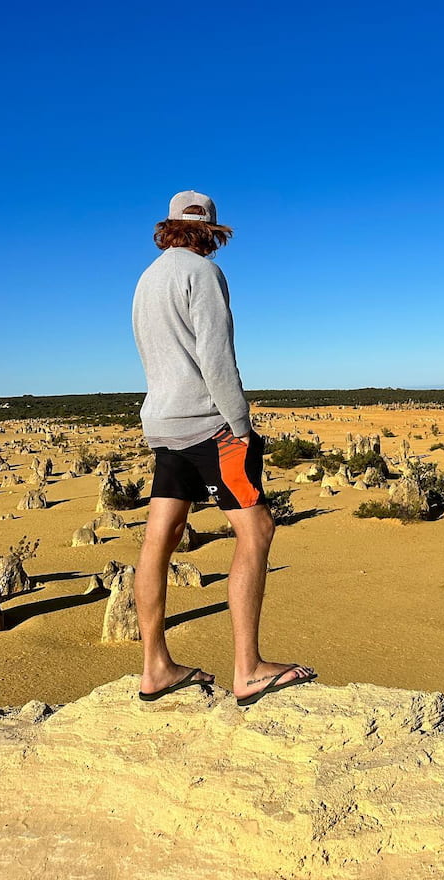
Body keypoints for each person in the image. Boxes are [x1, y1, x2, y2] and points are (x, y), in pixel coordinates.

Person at [131, 189, 316, 705]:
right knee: (257, 529)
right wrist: (239, 423)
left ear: (167, 227)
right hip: (209, 424)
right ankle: (249, 668)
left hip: (163, 423)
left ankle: (155, 668)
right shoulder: (202, 274)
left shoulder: (147, 280)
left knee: (158, 541)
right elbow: (216, 354)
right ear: (212, 231)